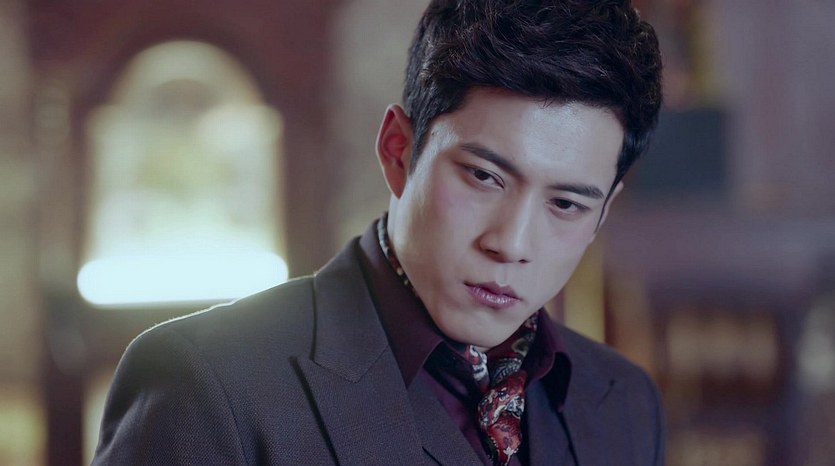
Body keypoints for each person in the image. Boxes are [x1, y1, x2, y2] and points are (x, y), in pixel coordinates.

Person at [93, 0, 664, 464]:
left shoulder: (625, 404)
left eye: (566, 204)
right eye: (483, 176)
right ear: (398, 150)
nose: (511, 244)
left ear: (603, 213)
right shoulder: (209, 385)